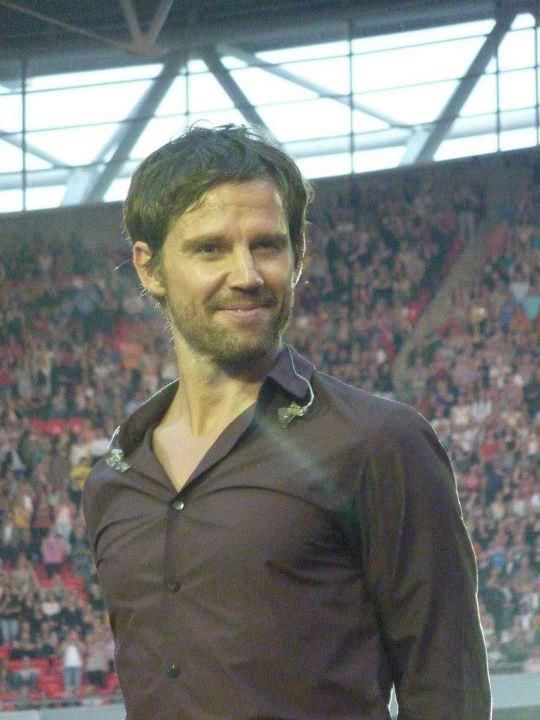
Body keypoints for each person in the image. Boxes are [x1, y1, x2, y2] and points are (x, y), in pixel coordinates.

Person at [83, 125, 491, 720]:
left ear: (298, 254)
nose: (247, 273)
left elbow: (446, 688)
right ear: (149, 268)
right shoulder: (115, 481)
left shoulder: (378, 443)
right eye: (210, 249)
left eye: (268, 245)